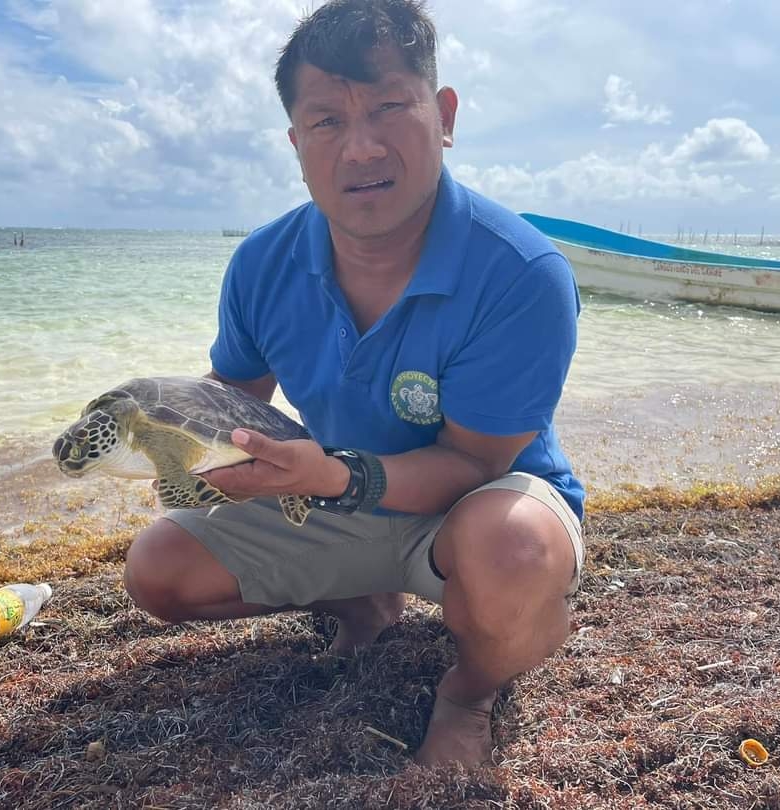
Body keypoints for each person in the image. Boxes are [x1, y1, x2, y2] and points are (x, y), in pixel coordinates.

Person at [123, 0, 585, 769]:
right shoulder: (262, 263)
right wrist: (181, 443)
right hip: (340, 494)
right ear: (297, 142)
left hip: (476, 504)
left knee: (513, 554)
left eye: (388, 108)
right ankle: (363, 600)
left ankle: (470, 692)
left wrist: (333, 476)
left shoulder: (522, 273)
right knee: (159, 570)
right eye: (328, 121)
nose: (360, 146)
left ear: (443, 115)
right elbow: (234, 394)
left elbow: (473, 462)